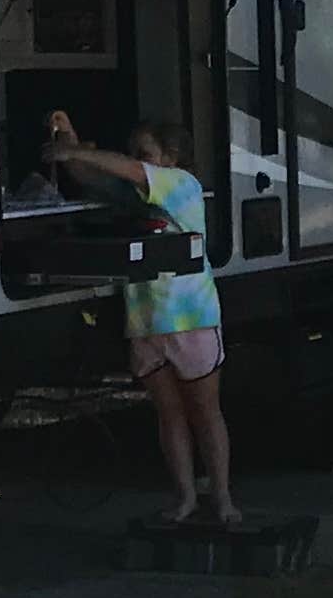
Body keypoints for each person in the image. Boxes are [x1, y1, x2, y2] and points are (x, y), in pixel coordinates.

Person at [43, 111, 241, 529]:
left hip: (190, 320)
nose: (136, 160)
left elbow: (123, 169)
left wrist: (78, 152)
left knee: (205, 411)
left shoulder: (181, 184)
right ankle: (186, 497)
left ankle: (222, 497)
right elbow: (90, 176)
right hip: (146, 321)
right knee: (169, 414)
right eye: (134, 153)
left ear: (171, 157)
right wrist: (70, 142)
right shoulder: (138, 192)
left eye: (145, 153)